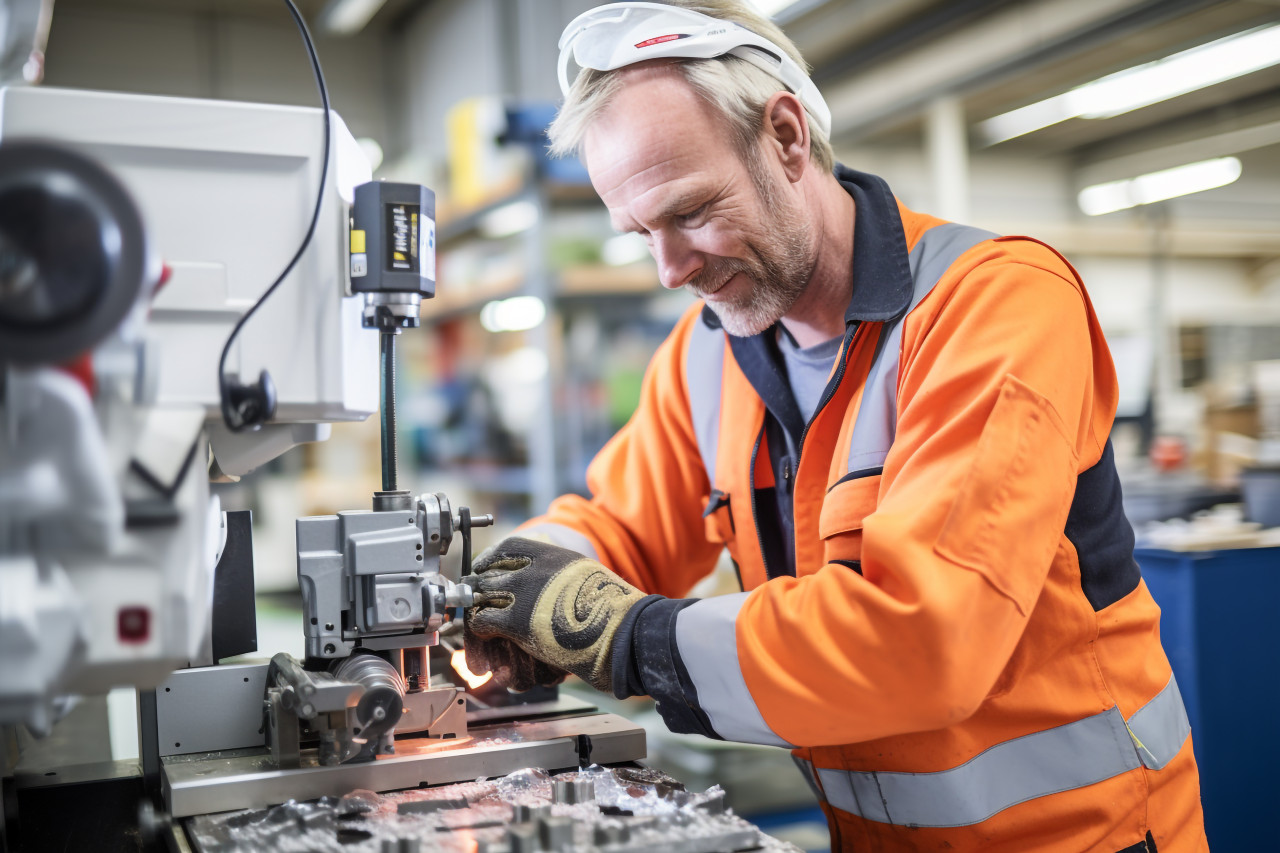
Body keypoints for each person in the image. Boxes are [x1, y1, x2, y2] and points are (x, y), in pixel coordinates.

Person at [463, 2, 1208, 850]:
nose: (670, 269)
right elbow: (623, 527)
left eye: (691, 212)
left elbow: (924, 638)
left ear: (785, 138)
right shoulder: (704, 356)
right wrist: (511, 586)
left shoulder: (993, 305)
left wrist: (634, 638)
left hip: (1085, 836)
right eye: (642, 234)